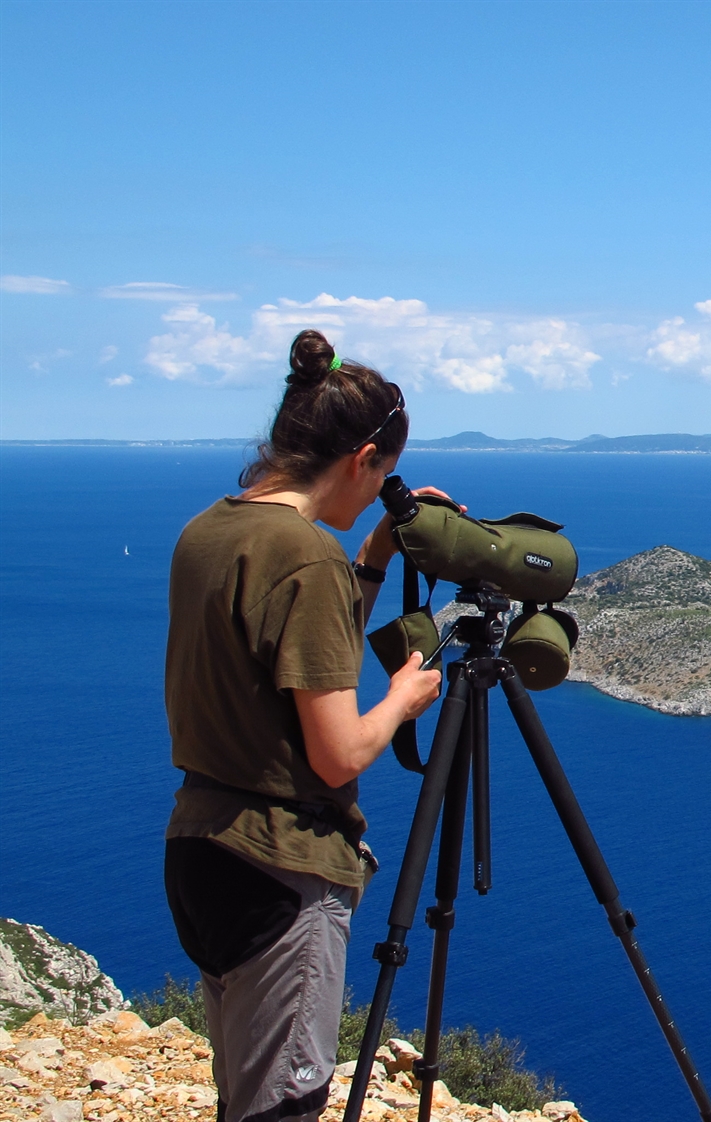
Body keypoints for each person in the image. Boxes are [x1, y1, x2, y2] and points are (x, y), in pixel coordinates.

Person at [163, 329, 450, 1122]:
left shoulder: (211, 531)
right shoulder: (302, 555)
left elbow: (288, 656)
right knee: (283, 1104)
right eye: (383, 476)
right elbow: (336, 754)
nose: (378, 492)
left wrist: (371, 559)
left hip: (201, 849)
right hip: (280, 866)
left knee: (243, 1096)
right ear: (362, 457)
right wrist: (402, 697)